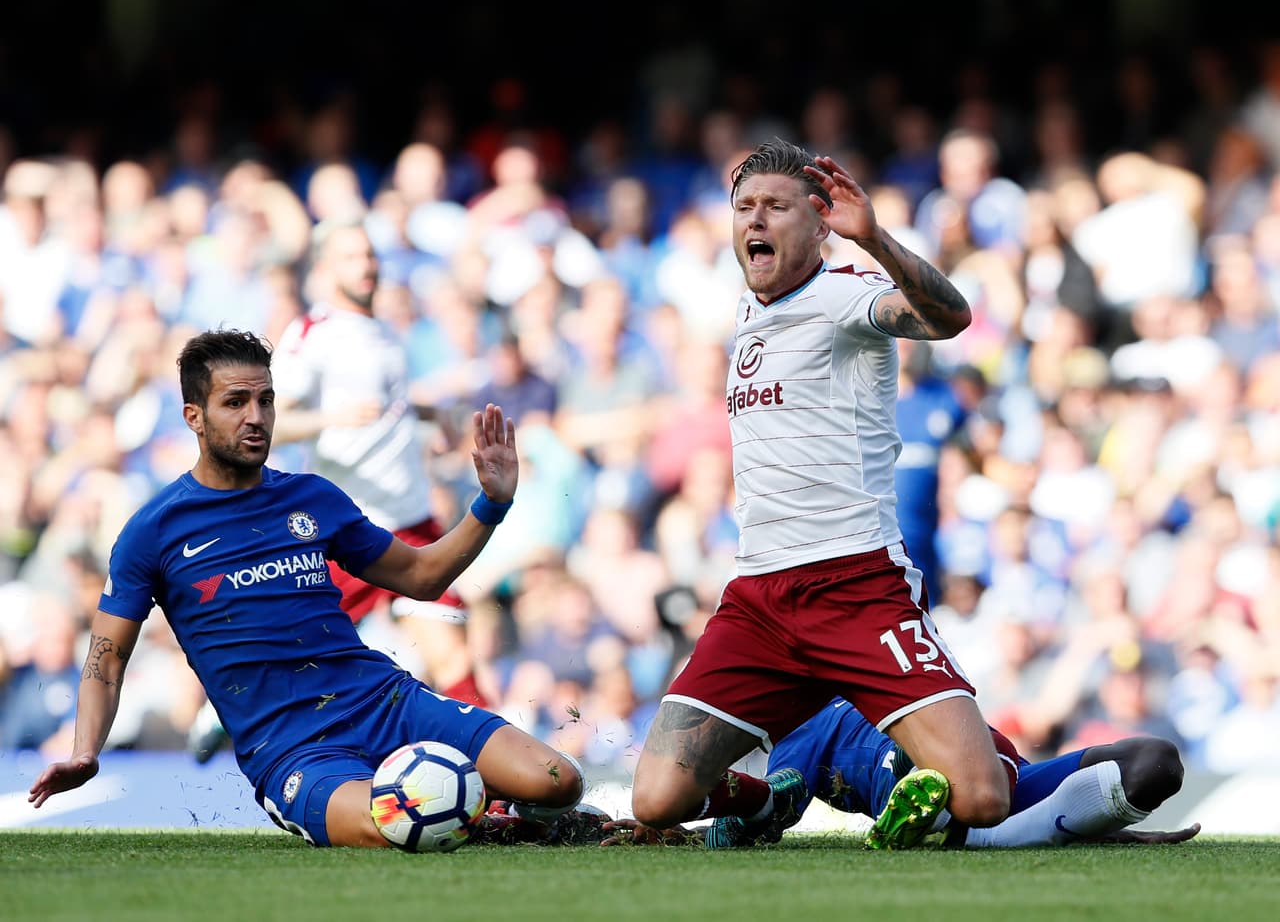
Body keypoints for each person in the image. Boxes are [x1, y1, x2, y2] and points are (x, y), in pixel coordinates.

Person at [28, 329, 590, 848]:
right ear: (193, 417)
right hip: (292, 747)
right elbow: (107, 658)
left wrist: (491, 504)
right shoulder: (154, 530)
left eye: (266, 401)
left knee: (558, 780)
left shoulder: (313, 498)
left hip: (384, 700)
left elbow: (423, 577)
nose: (256, 417)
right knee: (391, 828)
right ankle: (485, 823)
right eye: (235, 402)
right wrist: (85, 751)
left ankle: (513, 819)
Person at [629, 138, 1011, 850]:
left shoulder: (844, 294)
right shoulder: (746, 311)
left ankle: (1010, 774)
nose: (756, 220)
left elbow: (949, 319)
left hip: (856, 583)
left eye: (775, 206)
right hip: (761, 599)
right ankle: (770, 796)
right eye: (745, 206)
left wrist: (876, 239)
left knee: (981, 797)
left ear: (818, 221)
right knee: (656, 798)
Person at [186, 218, 491, 764]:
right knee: (292, 646)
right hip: (352, 529)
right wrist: (335, 417)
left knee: (451, 649)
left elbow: (388, 403)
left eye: (371, 255)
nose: (368, 266)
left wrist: (432, 416)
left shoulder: (385, 332)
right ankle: (228, 704)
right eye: (353, 257)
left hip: (411, 522)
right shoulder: (315, 334)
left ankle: (496, 787)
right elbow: (272, 420)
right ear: (326, 268)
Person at [607, 697, 1198, 849]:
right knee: (934, 783)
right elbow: (778, 802)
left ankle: (1016, 828)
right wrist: (710, 817)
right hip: (925, 777)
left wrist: (1095, 820)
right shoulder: (792, 744)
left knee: (1156, 763)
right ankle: (950, 818)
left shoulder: (876, 658)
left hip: (1005, 773)